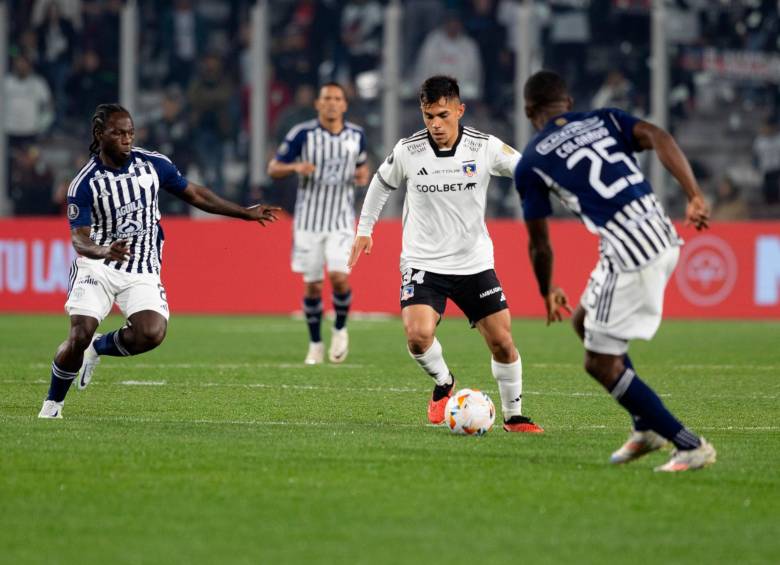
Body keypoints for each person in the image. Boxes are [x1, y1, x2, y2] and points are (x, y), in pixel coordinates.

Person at [514, 70, 717, 471]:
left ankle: (688, 444)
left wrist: (545, 289)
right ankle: (646, 428)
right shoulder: (603, 119)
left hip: (631, 252)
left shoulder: (532, 160)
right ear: (568, 104)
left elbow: (540, 242)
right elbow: (660, 135)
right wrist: (693, 195)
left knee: (598, 362)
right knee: (583, 321)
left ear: (527, 112)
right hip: (658, 231)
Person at [38, 104, 280, 419]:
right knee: (78, 334)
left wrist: (243, 212)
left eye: (130, 133)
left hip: (141, 267)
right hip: (96, 267)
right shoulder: (84, 183)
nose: (126, 139)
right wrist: (104, 250)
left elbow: (196, 194)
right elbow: (79, 240)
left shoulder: (152, 165)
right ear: (99, 135)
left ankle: (98, 347)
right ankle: (53, 404)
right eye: (118, 133)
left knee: (151, 333)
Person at [349, 75, 543, 432]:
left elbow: (525, 168)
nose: (435, 125)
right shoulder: (410, 150)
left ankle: (514, 417)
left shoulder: (483, 147)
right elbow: (381, 182)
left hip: (474, 263)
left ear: (459, 110)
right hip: (424, 262)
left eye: (442, 115)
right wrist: (365, 229)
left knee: (502, 341)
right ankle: (443, 382)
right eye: (428, 116)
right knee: (417, 335)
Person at [268, 83, 369, 365]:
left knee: (339, 277)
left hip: (340, 220)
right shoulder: (302, 134)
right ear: (318, 104)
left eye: (337, 98)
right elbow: (273, 168)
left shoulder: (356, 135)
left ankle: (339, 328)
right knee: (312, 286)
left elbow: (363, 165)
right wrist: (295, 168)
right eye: (327, 98)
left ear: (344, 105)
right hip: (308, 222)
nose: (332, 103)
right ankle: (314, 344)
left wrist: (362, 175)